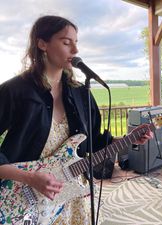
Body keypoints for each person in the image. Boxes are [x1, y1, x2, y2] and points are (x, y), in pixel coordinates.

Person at [0, 15, 153, 225]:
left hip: (72, 194)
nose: (75, 50)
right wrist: (29, 177)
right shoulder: (14, 90)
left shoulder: (81, 93)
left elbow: (96, 143)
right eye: (66, 42)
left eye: (76, 43)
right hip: (24, 196)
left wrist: (128, 140)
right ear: (42, 44)